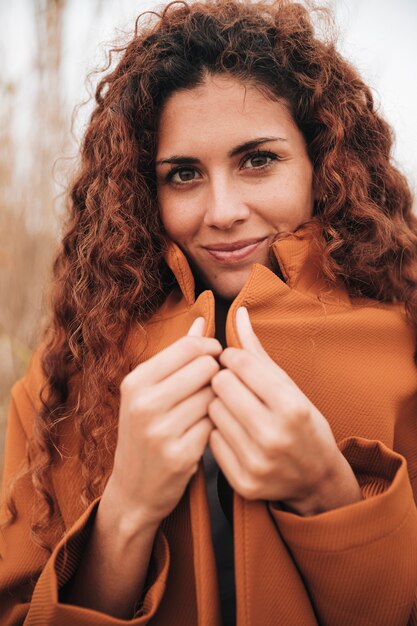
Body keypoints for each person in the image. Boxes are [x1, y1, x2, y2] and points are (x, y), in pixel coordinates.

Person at [1, 0, 417, 624]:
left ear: (321, 162)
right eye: (184, 174)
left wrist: (326, 492)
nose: (222, 210)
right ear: (145, 189)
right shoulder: (65, 377)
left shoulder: (406, 337)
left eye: (258, 160)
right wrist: (126, 512)